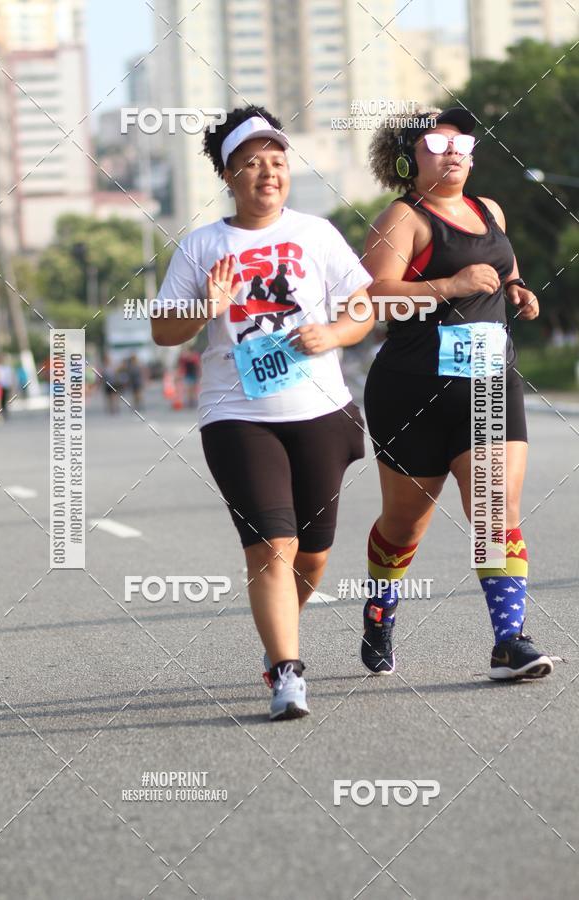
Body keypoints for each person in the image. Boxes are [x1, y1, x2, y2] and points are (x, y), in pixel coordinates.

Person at [152, 106, 374, 719]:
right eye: (252, 164)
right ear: (229, 175)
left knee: (313, 553)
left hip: (321, 409)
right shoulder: (203, 245)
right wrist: (206, 303)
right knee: (271, 548)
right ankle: (287, 671)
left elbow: (363, 308)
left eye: (277, 162)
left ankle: (279, 629)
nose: (268, 174)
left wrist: (334, 334)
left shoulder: (318, 233)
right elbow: (163, 332)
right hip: (237, 414)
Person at [360, 106, 553, 682]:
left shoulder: (486, 209)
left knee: (496, 509)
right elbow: (373, 299)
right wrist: (449, 285)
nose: (453, 153)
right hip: (413, 391)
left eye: (461, 143)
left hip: (490, 382)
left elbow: (504, 264)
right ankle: (379, 612)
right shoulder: (403, 218)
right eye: (437, 143)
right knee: (403, 524)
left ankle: (508, 641)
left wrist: (517, 290)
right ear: (408, 159)